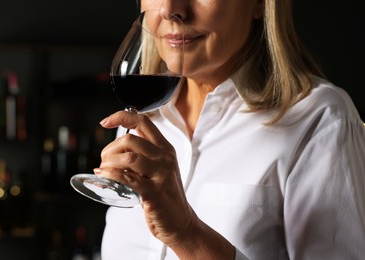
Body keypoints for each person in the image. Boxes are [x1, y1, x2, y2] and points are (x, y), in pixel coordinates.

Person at [94, 0, 365, 259]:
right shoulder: (145, 117)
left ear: (259, 2)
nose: (170, 8)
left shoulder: (320, 119)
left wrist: (187, 235)